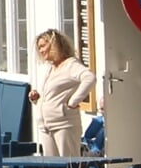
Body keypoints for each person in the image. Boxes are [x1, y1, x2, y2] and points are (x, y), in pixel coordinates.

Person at [29, 28, 96, 157]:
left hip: (64, 124)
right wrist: (37, 98)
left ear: (54, 44)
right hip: (46, 127)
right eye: (39, 48)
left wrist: (73, 101)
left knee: (68, 167)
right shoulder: (52, 68)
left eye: (43, 46)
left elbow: (89, 78)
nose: (41, 51)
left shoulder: (71, 65)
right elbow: (54, 94)